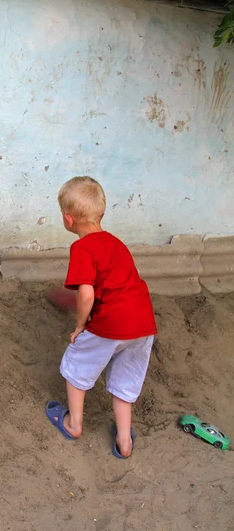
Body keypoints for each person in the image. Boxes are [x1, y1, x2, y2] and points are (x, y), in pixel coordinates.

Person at [46, 176, 157, 458]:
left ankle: (73, 424)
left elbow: (86, 295)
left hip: (111, 323)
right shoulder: (117, 244)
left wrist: (81, 325)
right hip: (143, 324)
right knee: (125, 380)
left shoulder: (82, 248)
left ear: (67, 220)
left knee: (77, 367)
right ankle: (124, 440)